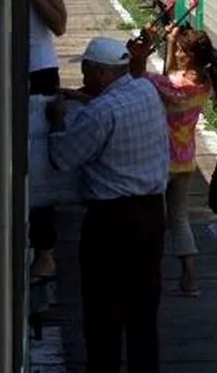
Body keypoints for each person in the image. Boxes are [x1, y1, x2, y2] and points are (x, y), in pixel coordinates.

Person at [46, 36, 170, 373]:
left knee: (104, 311)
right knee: (144, 309)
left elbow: (63, 157)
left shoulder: (101, 112)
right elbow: (108, 100)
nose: (83, 78)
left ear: (100, 72)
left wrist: (58, 118)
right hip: (152, 214)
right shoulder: (145, 91)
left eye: (86, 71)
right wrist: (79, 97)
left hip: (112, 221)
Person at [135, 23, 217, 296]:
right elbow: (171, 76)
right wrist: (171, 42)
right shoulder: (204, 84)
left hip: (162, 162)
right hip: (186, 161)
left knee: (153, 222)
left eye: (182, 50)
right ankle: (190, 279)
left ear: (189, 56)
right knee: (179, 219)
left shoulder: (175, 85)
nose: (179, 54)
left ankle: (151, 277)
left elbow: (140, 75)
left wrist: (146, 43)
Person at [28, 0, 67, 285]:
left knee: (38, 162)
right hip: (7, 67)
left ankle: (45, 252)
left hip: (36, 71)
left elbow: (59, 24)